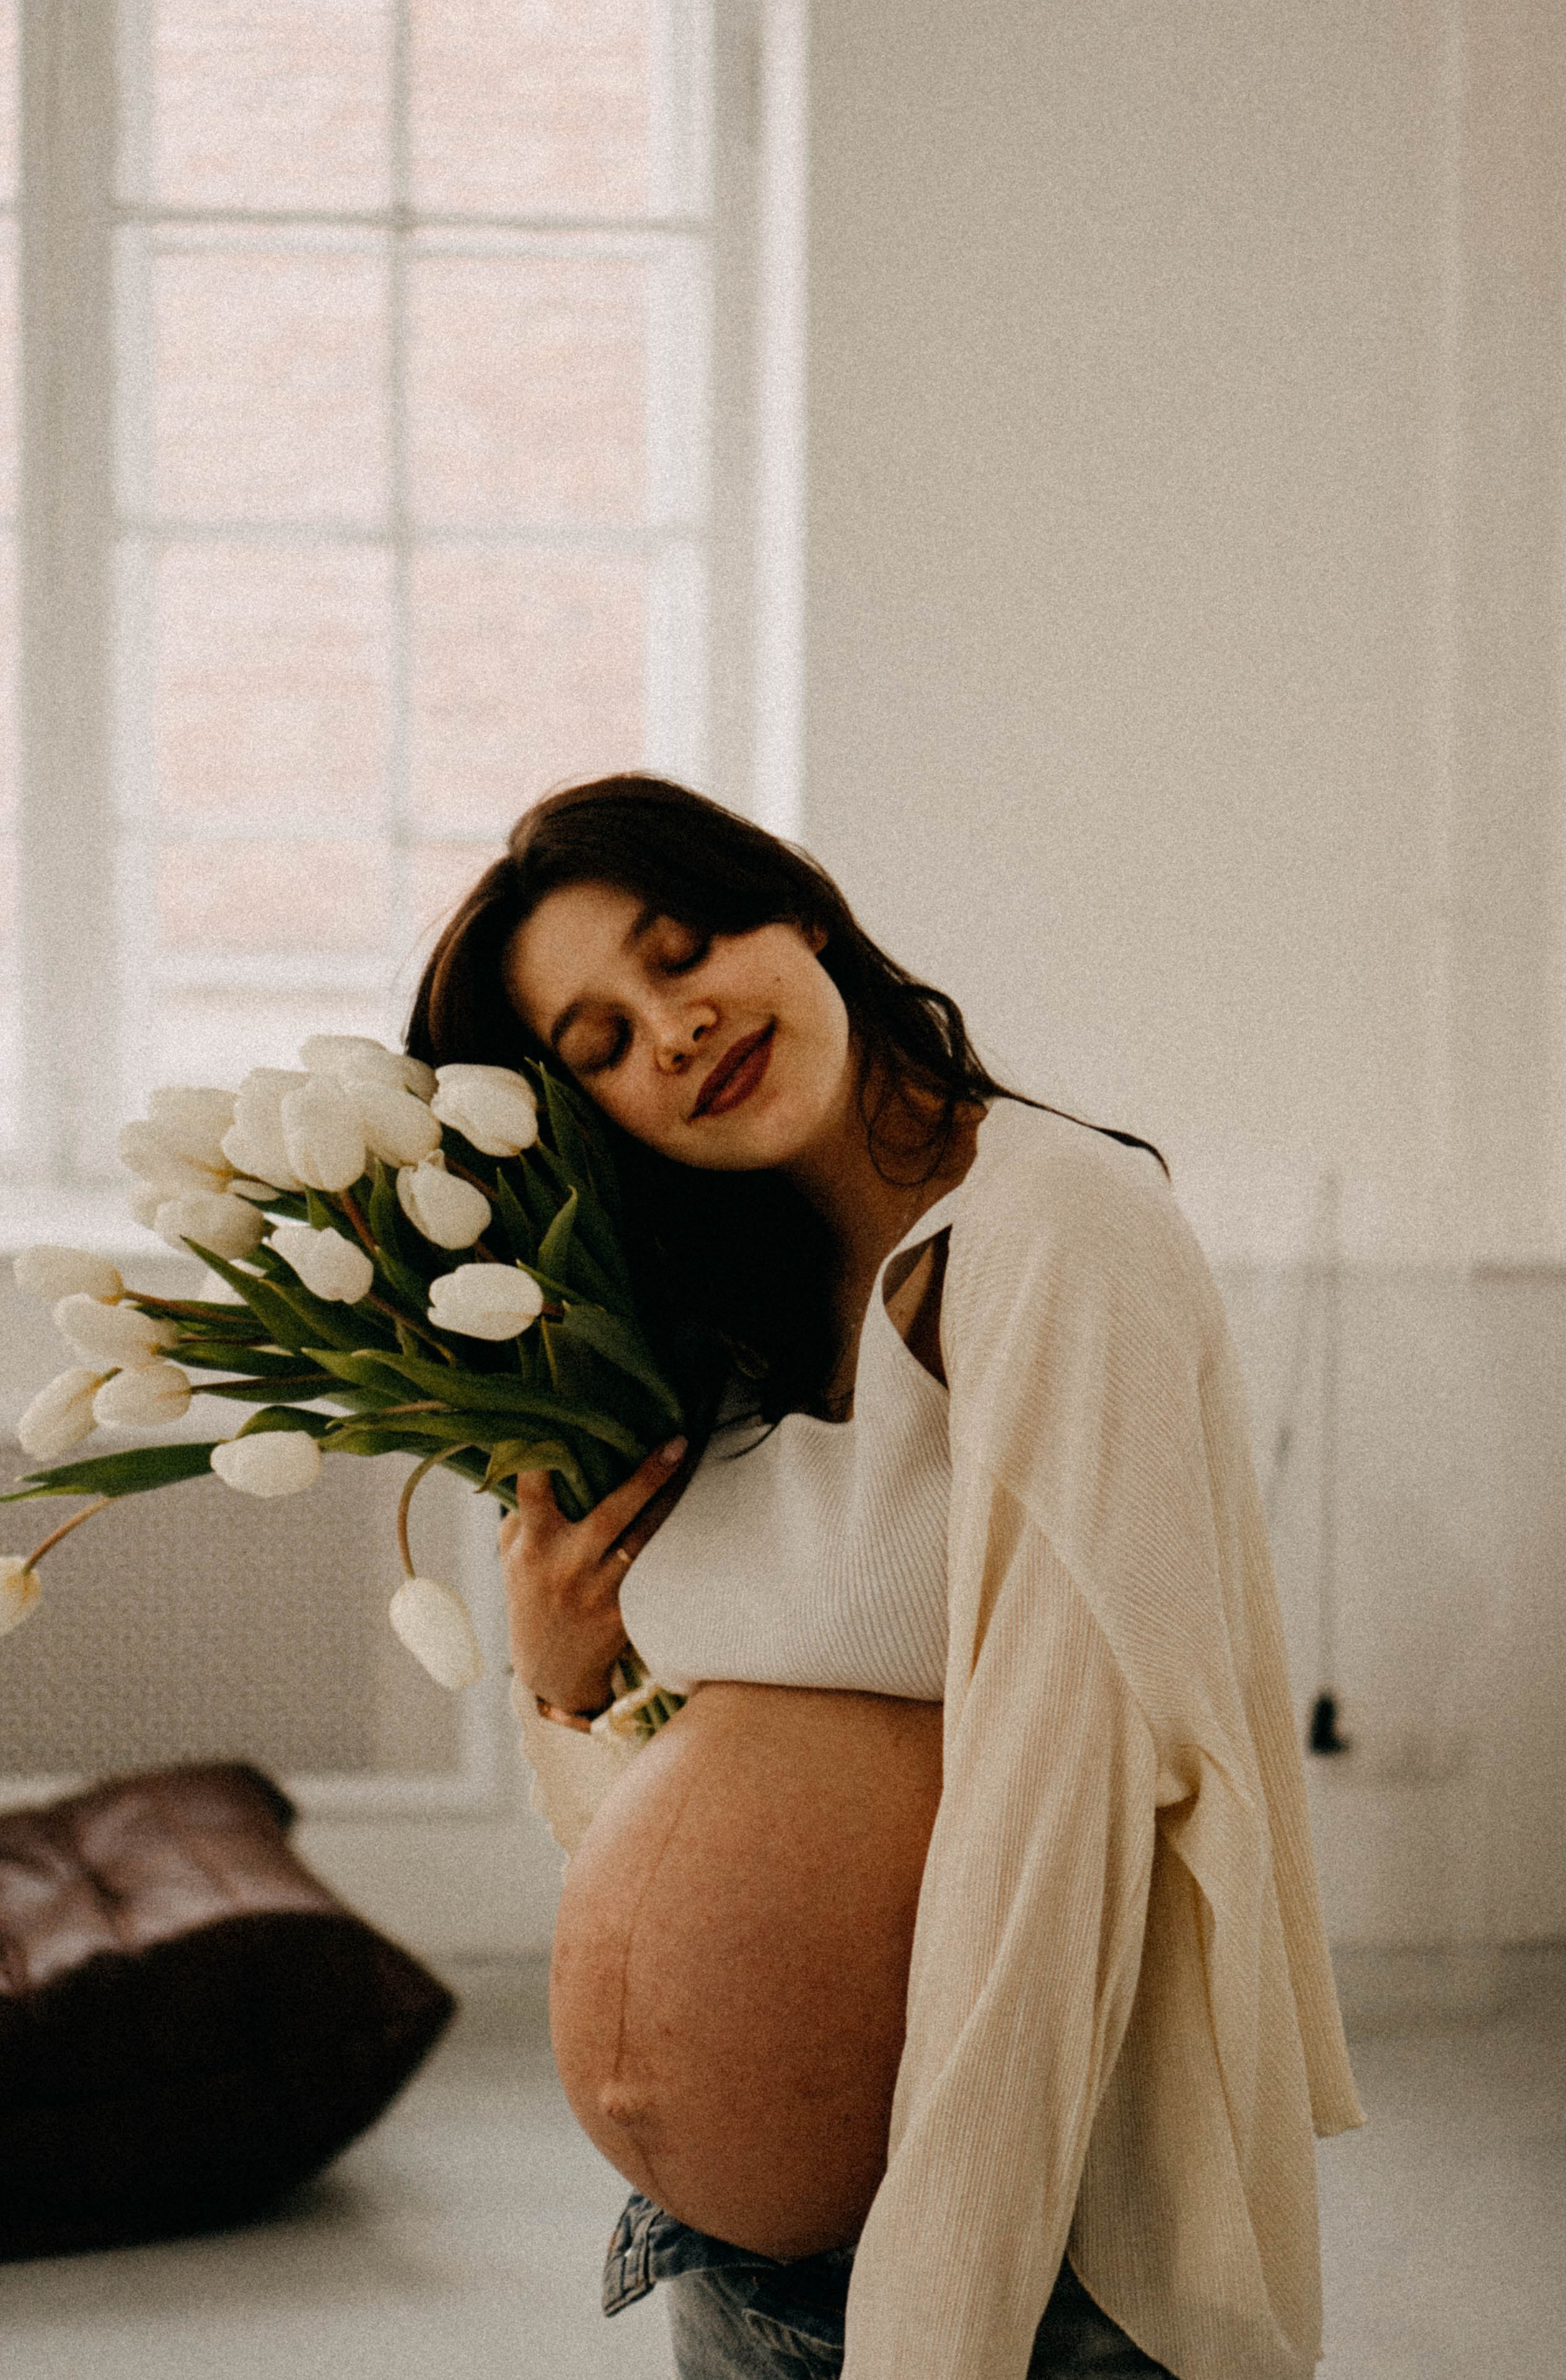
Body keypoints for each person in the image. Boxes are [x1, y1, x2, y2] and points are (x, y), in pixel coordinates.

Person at [407, 775, 1364, 2380]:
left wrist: (936, 2334)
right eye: (601, 1043)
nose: (676, 1028)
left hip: (1032, 2250)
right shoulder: (709, 1321)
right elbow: (656, 1807)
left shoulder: (1054, 1232)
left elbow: (1053, 1840)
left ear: (800, 910)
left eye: (684, 946)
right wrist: (560, 1677)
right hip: (730, 2263)